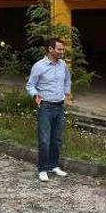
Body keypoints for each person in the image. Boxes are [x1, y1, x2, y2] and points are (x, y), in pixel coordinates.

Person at [26, 38, 71, 182]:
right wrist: (35, 95)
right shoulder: (39, 66)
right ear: (50, 49)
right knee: (44, 140)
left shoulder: (63, 65)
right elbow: (30, 84)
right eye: (59, 49)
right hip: (45, 106)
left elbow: (67, 80)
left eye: (63, 49)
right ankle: (42, 168)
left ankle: (53, 165)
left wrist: (66, 93)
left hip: (59, 105)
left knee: (57, 139)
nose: (62, 52)